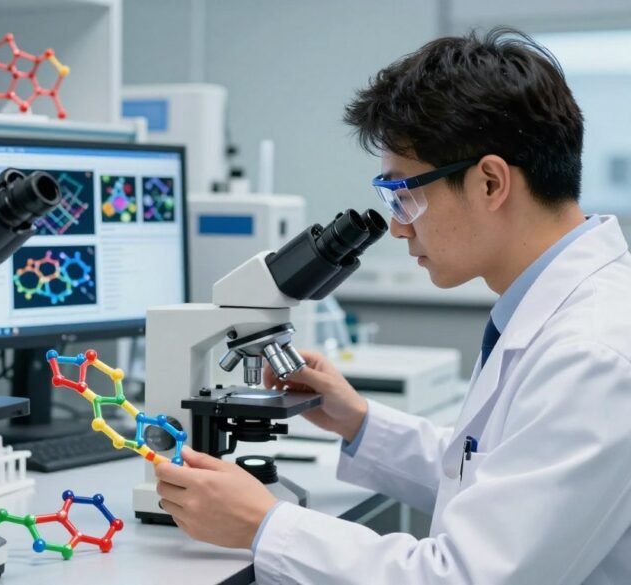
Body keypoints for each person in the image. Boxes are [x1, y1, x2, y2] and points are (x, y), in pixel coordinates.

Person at [155, 27, 631, 584]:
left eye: (405, 194)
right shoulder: (552, 308)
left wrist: (265, 525)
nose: (400, 227)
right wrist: (360, 423)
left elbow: (465, 577)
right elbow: (493, 475)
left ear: (490, 183)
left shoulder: (592, 353)